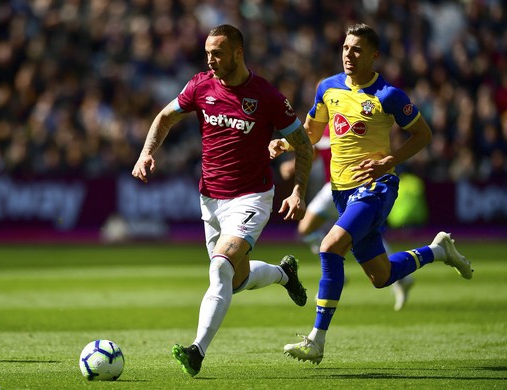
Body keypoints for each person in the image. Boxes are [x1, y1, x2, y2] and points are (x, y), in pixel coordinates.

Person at [278, 23, 473, 365]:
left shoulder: (388, 95)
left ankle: (316, 340)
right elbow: (310, 132)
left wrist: (390, 161)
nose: (349, 55)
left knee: (330, 246)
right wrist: (284, 142)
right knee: (381, 277)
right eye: (345, 48)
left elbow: (423, 135)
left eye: (357, 50)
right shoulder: (327, 88)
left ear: (374, 55)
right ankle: (438, 251)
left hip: (375, 188)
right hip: (340, 192)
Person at [131, 24, 314, 377]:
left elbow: (303, 145)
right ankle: (282, 274)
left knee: (219, 268)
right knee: (234, 280)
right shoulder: (200, 85)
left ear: (238, 53)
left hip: (252, 197)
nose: (210, 60)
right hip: (210, 199)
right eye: (207, 54)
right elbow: (164, 118)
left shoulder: (267, 96)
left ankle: (196, 351)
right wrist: (146, 153)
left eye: (217, 53)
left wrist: (298, 191)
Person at [270, 125, 415, 312]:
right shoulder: (323, 125)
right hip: (333, 188)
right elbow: (313, 152)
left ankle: (400, 276)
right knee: (309, 229)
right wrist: (293, 165)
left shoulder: (349, 120)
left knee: (361, 235)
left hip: (355, 185)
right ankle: (342, 265)